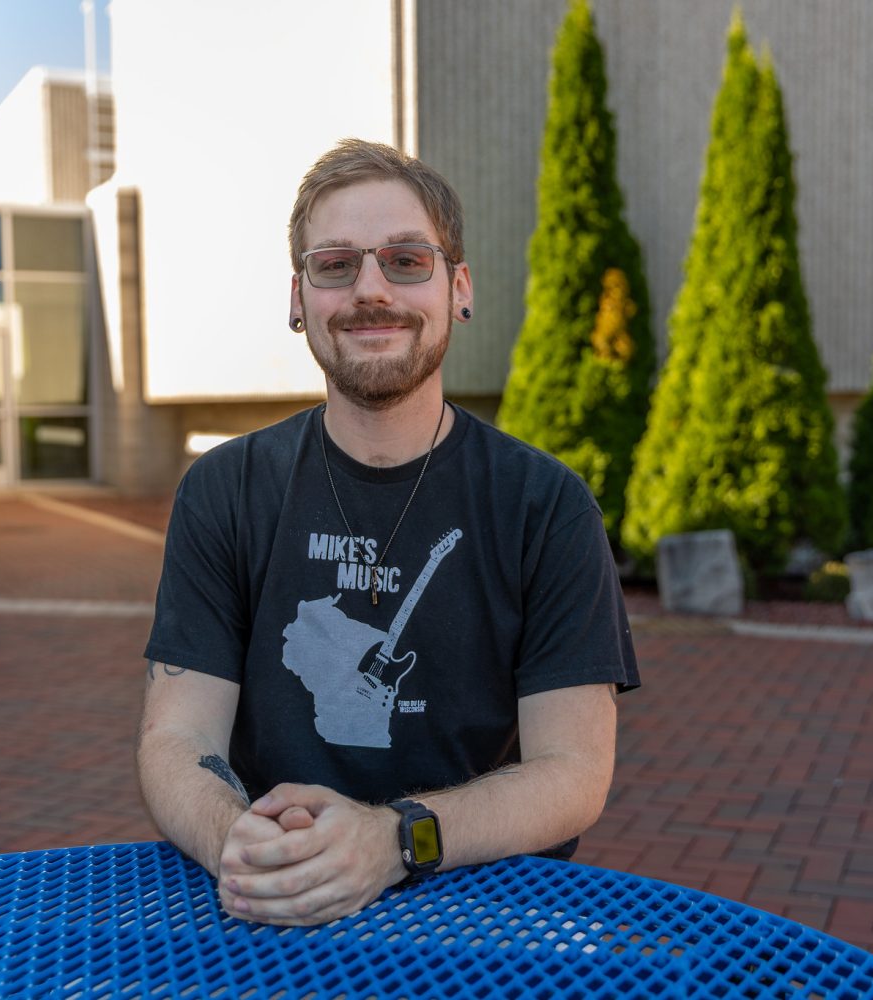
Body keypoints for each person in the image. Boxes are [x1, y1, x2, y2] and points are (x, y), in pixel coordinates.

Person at [137, 138, 640, 927]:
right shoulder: (224, 490)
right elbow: (176, 738)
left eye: (406, 260)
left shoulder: (544, 504)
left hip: (485, 919)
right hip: (272, 913)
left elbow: (574, 771)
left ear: (458, 287)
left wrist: (396, 839)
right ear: (298, 297)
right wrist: (243, 843)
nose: (371, 288)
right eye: (334, 265)